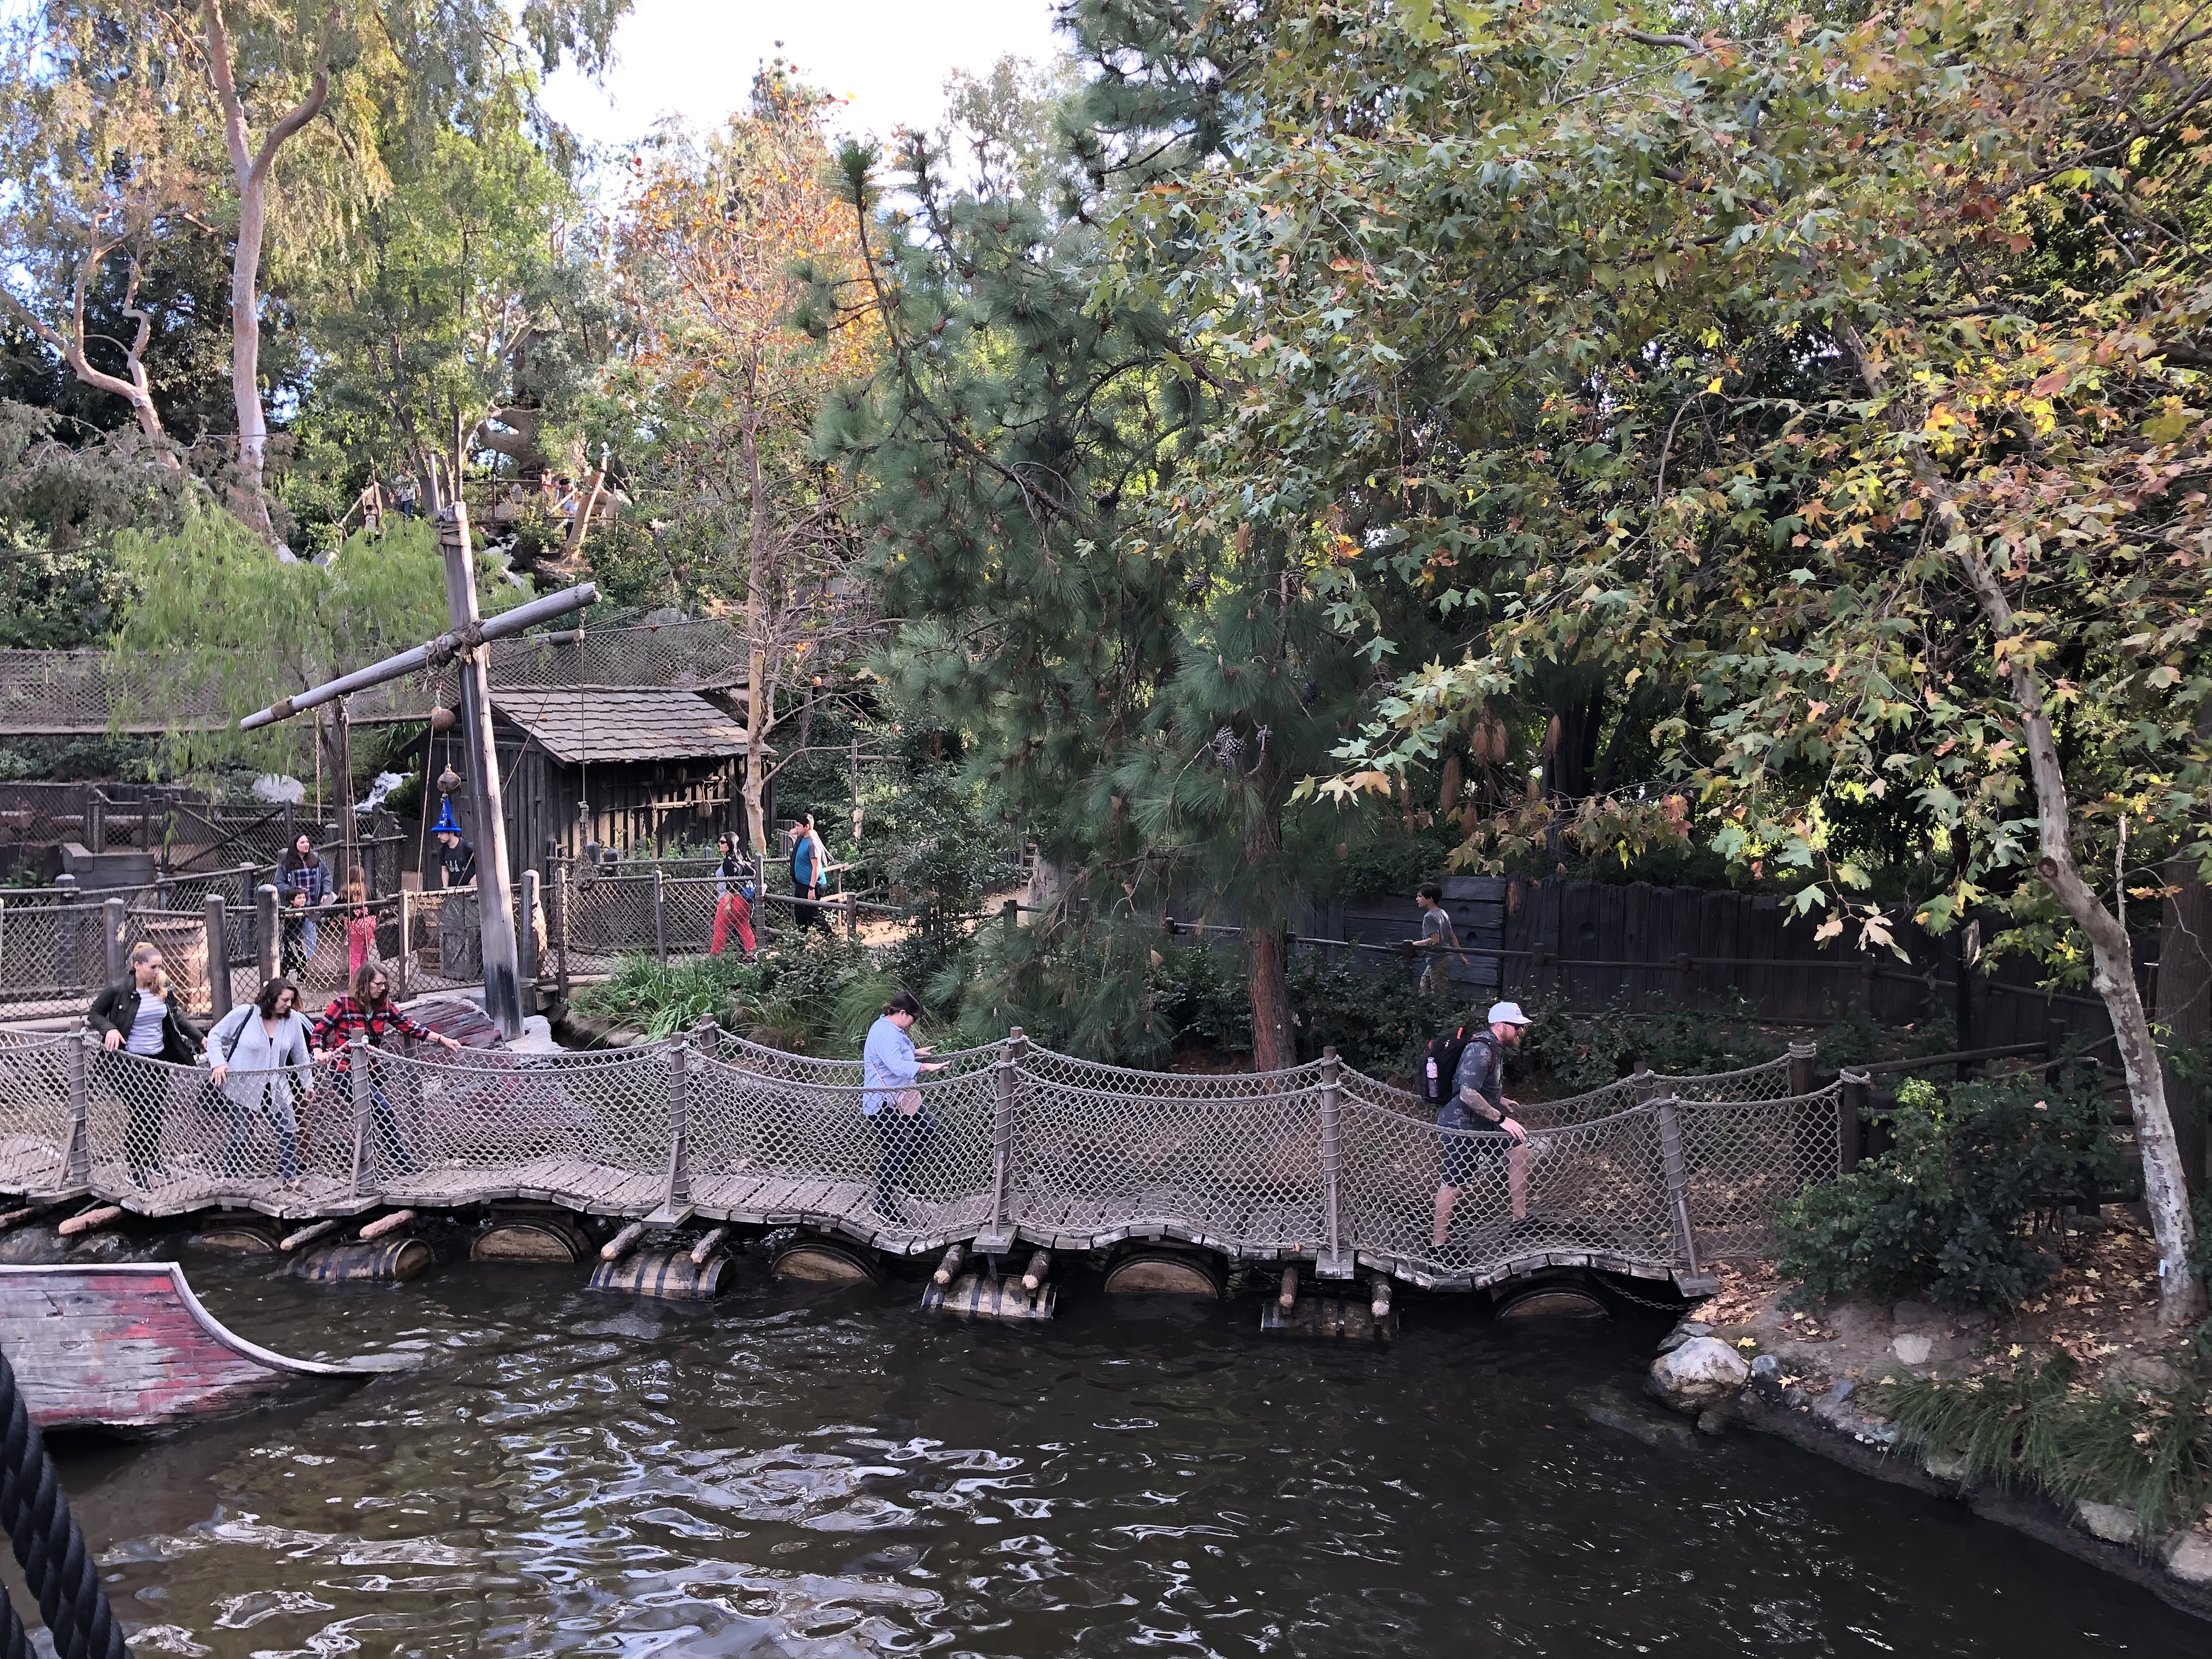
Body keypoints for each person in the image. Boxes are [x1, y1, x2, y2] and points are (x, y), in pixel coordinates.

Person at [312, 962, 461, 1177]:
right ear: (365, 984)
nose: (383, 988)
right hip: (345, 1071)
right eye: (378, 984)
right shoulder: (343, 1004)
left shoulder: (383, 1006)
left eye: (384, 984)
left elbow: (408, 1026)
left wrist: (441, 1038)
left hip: (370, 1070)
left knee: (374, 1115)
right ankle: (403, 1162)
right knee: (383, 1111)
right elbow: (319, 1032)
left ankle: (372, 1164)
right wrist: (319, 1052)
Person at [86, 943, 202, 1186]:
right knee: (141, 1111)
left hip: (157, 1058)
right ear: (137, 966)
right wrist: (110, 1029)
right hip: (129, 1061)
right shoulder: (119, 989)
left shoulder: (162, 988)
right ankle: (135, 1165)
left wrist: (200, 1038)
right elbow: (95, 1014)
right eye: (153, 967)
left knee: (156, 1110)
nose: (157, 972)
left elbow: (176, 1018)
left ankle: (151, 1158)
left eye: (160, 967)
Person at [1432, 1000, 1533, 1251]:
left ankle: (1519, 1220)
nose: (1521, 1031)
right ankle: (1437, 1245)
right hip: (1461, 1127)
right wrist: (1501, 1118)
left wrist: (1498, 1099)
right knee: (1454, 1185)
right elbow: (1467, 1093)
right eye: (1517, 1026)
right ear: (1500, 1025)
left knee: (1519, 1150)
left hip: (1481, 1122)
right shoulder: (1481, 1050)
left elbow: (1479, 1086)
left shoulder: (1495, 1047)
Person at [205, 978, 315, 1182]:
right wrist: (218, 1062)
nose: (288, 1005)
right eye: (284, 1000)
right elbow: (215, 1035)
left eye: (291, 1000)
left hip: (276, 1086)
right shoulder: (246, 1013)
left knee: (287, 1128)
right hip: (244, 1087)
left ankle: (291, 1176)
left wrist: (307, 1083)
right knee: (242, 1132)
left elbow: (301, 1053)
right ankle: (230, 1175)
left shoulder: (293, 1020)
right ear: (272, 997)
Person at [862, 991, 948, 1220]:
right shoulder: (885, 1033)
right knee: (895, 1149)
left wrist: (916, 1053)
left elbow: (899, 1053)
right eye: (914, 1018)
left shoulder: (892, 1029)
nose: (914, 1023)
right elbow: (897, 1065)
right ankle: (882, 1203)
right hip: (883, 1103)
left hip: (902, 1098)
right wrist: (929, 1068)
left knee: (928, 1130)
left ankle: (899, 1177)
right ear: (902, 1013)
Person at [278, 833, 332, 978]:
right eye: (302, 842)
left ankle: (305, 965)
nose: (306, 845)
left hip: (312, 906)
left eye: (307, 842)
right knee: (290, 939)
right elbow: (279, 883)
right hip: (294, 910)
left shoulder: (316, 859)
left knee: (311, 935)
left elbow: (327, 876)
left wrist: (326, 893)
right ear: (295, 845)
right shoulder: (287, 863)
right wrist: (292, 893)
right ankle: (285, 967)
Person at [1407, 882, 1466, 996]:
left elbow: (1434, 940)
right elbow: (1451, 935)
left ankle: (1442, 1011)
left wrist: (1413, 944)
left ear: (1430, 899)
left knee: (1439, 990)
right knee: (1425, 984)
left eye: (1420, 896)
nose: (1417, 899)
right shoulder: (1442, 913)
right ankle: (1428, 1008)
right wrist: (1461, 955)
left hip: (1440, 958)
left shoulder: (1429, 917)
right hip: (1443, 957)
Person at [710, 831, 757, 958]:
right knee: (743, 926)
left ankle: (714, 958)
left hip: (732, 900)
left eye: (723, 842)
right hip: (744, 901)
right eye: (720, 842)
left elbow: (732, 885)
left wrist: (727, 903)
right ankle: (751, 954)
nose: (720, 844)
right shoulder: (741, 860)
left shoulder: (729, 862)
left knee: (720, 927)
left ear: (730, 844)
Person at [789, 814, 830, 931]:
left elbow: (816, 867)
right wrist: (797, 829)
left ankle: (832, 939)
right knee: (800, 916)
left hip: (813, 885)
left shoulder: (813, 843)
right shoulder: (802, 838)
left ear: (807, 827)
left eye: (798, 826)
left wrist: (811, 889)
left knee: (813, 916)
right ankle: (801, 944)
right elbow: (792, 832)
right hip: (802, 884)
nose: (796, 828)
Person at [342, 879, 378, 978]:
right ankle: (365, 979)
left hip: (356, 927)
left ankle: (356, 981)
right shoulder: (367, 890)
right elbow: (376, 906)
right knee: (364, 955)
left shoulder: (347, 891)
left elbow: (339, 906)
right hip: (368, 925)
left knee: (355, 957)